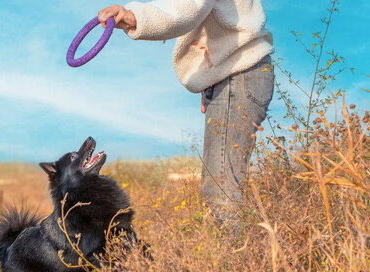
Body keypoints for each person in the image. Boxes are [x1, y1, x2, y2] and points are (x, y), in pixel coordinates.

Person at [98, 1, 274, 232]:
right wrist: (209, 75)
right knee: (221, 184)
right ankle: (241, 259)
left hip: (238, 75)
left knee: (221, 190)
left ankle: (237, 263)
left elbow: (187, 9)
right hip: (235, 75)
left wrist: (133, 16)